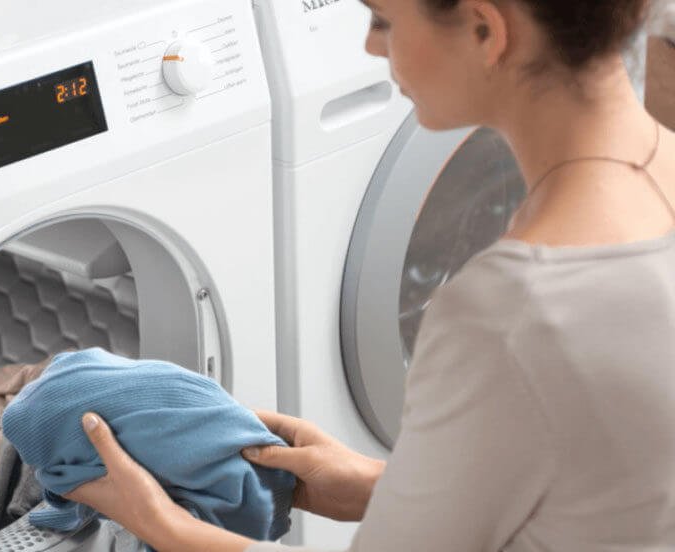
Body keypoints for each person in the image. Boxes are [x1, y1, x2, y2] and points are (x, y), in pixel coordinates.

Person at [62, 0, 675, 550]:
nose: (370, 46)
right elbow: (601, 477)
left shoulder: (511, 310)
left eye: (382, 19)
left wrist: (167, 528)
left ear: (486, 29)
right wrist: (382, 485)